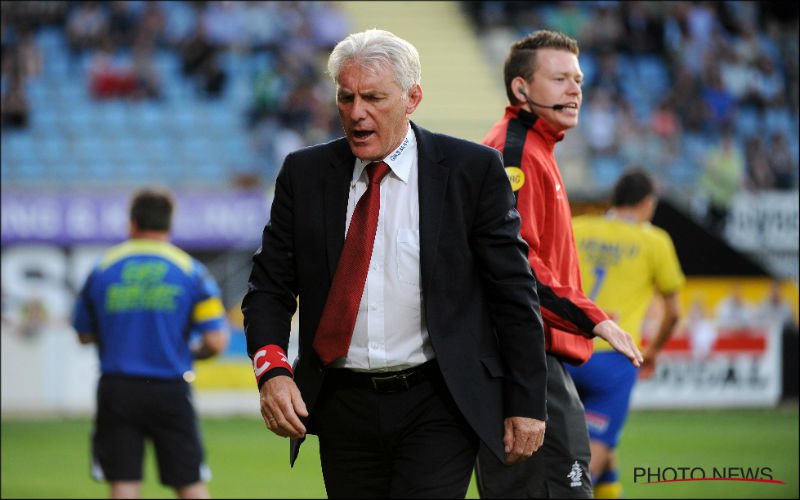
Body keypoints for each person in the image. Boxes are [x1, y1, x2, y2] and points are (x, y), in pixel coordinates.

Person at [240, 28, 614, 498]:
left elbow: (513, 294)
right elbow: (269, 286)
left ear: (412, 97)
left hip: (439, 402)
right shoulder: (305, 173)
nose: (357, 113)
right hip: (339, 405)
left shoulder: (472, 171)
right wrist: (271, 371)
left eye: (374, 97)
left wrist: (526, 403)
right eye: (346, 97)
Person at [474, 29, 643, 499]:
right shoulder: (514, 155)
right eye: (560, 79)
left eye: (579, 80)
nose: (575, 90)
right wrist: (597, 320)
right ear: (521, 90)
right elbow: (516, 267)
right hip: (524, 360)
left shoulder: (536, 148)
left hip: (531, 358)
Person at [72, 187, 230, 499]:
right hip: (170, 388)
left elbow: (84, 334)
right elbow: (216, 340)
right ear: (170, 224)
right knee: (190, 484)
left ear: (131, 223)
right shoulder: (192, 272)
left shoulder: (102, 269)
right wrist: (186, 352)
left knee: (123, 484)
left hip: (117, 388)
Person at [566, 169, 686, 498]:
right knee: (590, 458)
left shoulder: (577, 227)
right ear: (647, 203)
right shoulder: (654, 241)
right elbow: (674, 312)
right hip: (613, 360)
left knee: (596, 445)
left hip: (565, 353)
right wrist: (655, 351)